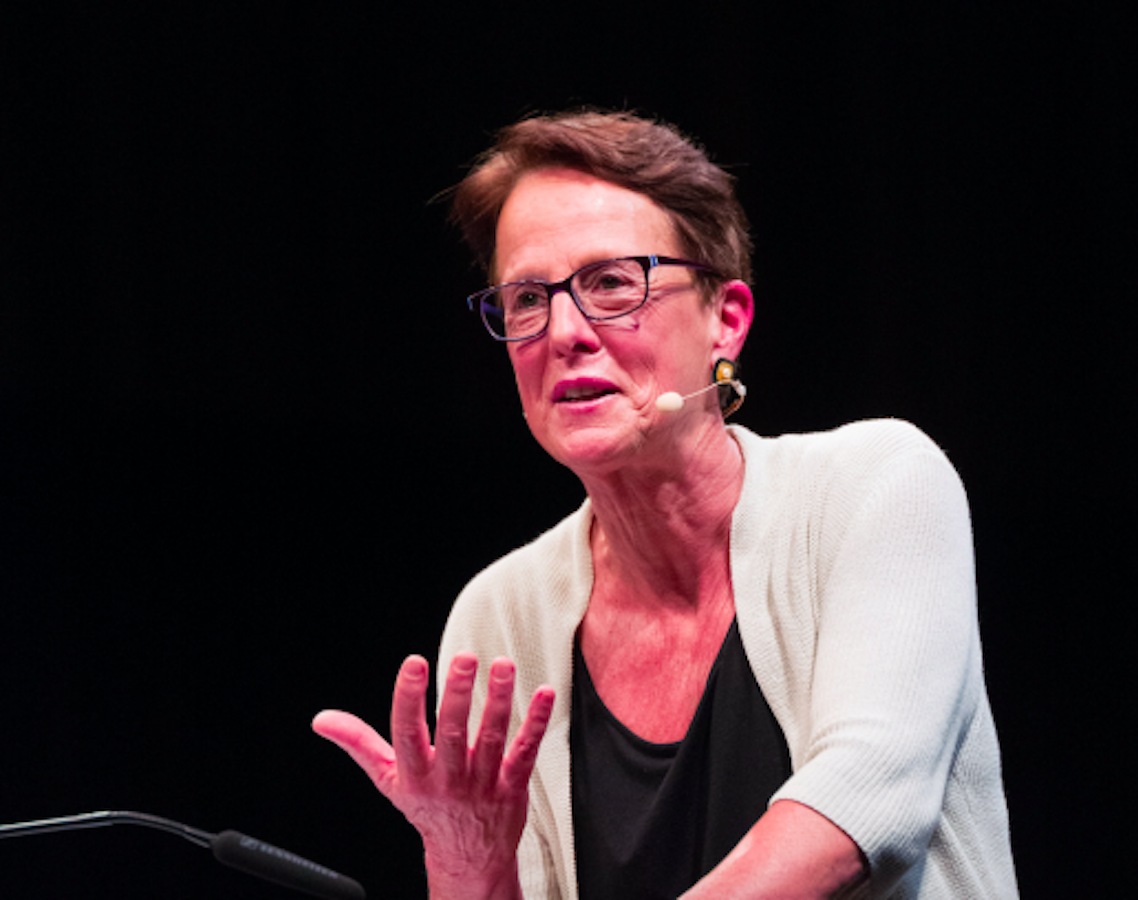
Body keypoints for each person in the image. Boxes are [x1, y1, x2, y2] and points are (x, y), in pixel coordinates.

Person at [313, 110, 1018, 899]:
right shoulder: (500, 618)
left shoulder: (875, 487)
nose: (565, 332)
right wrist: (465, 863)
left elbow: (863, 807)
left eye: (611, 284)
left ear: (727, 319)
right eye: (525, 300)